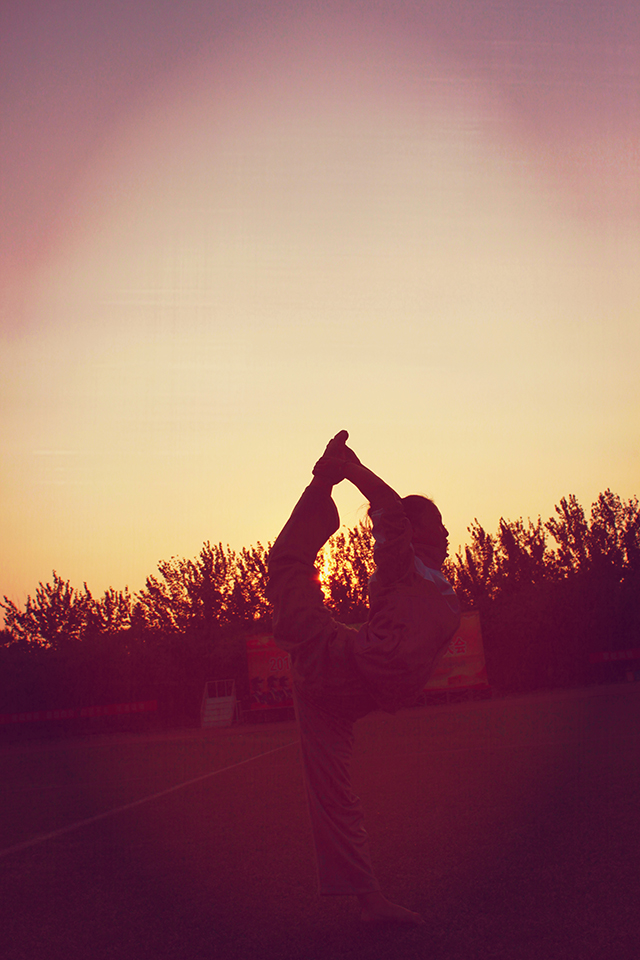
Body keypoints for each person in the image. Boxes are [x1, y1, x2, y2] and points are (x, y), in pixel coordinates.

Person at [267, 431, 460, 924]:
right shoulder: (402, 566)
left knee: (332, 792)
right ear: (414, 532)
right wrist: (346, 470)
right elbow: (389, 508)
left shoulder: (438, 584)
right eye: (438, 525)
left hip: (347, 688)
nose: (446, 534)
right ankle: (321, 484)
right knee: (287, 561)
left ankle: (370, 903)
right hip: (333, 662)